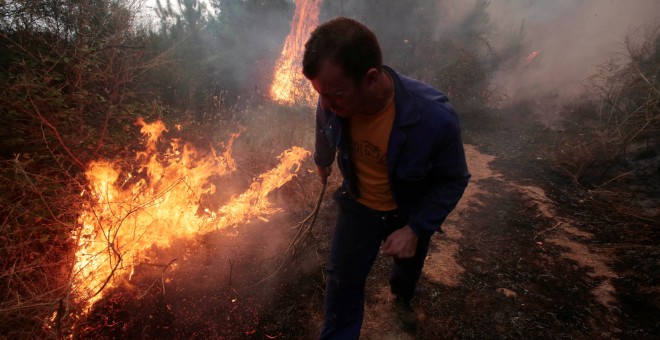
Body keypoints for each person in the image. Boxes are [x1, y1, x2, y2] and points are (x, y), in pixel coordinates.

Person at [302, 17, 470, 339]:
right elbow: (323, 124)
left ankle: (403, 295)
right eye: (321, 94)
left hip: (408, 209)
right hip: (358, 205)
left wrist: (416, 229)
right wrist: (322, 160)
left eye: (334, 95)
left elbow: (454, 179)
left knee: (406, 271)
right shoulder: (333, 100)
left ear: (371, 79)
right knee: (342, 281)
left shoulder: (434, 118)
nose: (326, 104)